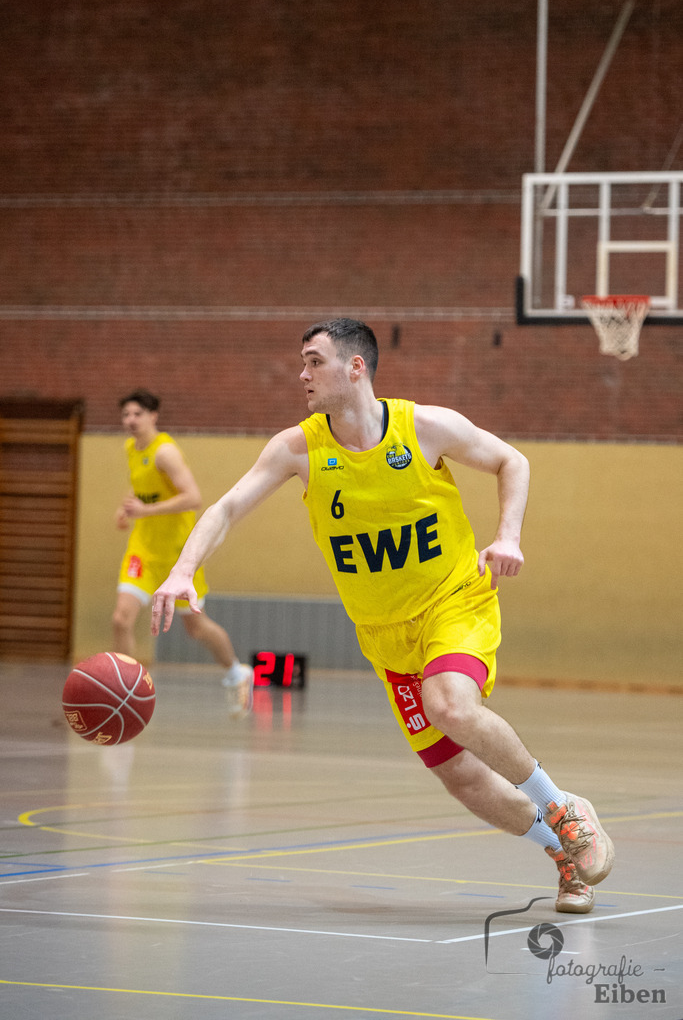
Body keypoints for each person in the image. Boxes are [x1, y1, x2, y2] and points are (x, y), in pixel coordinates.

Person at [151, 319, 614, 913]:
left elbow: (512, 461)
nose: (302, 374)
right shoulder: (299, 448)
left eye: (313, 361)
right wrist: (182, 570)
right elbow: (228, 507)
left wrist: (508, 536)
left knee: (451, 706)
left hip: (454, 601)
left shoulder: (424, 427)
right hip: (387, 637)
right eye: (302, 362)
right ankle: (562, 851)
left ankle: (563, 809)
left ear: (355, 367)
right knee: (461, 777)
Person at [112, 389, 253, 717]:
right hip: (143, 551)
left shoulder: (166, 453)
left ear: (153, 416)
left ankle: (236, 671)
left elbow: (193, 498)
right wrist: (126, 507)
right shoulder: (132, 448)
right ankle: (126, 692)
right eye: (125, 415)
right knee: (121, 619)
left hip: (178, 556)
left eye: (137, 414)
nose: (130, 421)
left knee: (195, 628)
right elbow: (143, 486)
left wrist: (146, 512)